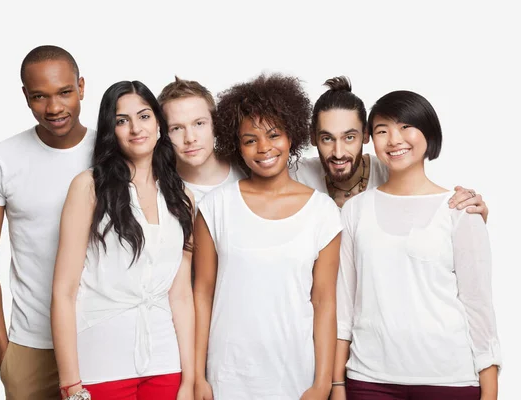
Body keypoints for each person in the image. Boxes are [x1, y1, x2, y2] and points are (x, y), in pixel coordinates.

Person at [332, 90, 501, 400]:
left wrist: (490, 392)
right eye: (382, 130)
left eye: (406, 126)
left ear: (429, 132)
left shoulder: (461, 209)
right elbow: (344, 307)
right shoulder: (355, 210)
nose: (394, 139)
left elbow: (478, 307)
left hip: (450, 379)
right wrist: (337, 384)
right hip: (369, 379)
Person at [193, 73, 342, 400]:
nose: (264, 148)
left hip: (295, 377)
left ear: (292, 136)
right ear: (237, 146)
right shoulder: (216, 207)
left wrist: (322, 383)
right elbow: (201, 294)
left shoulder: (323, 213)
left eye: (274, 134)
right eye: (250, 140)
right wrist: (198, 376)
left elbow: (325, 302)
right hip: (227, 375)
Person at [50, 80, 195, 400]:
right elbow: (63, 291)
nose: (135, 128)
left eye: (144, 116)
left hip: (165, 361)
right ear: (110, 130)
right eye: (121, 120)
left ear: (159, 124)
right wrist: (71, 385)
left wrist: (190, 379)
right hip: (101, 361)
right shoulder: (87, 187)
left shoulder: (181, 197)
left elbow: (181, 295)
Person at [0, 45, 94, 399]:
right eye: (40, 96)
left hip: (102, 336)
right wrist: (1, 351)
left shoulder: (112, 151)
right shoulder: (1, 160)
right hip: (32, 344)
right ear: (25, 96)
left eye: (65, 92)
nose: (54, 108)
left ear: (81, 87)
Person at [291, 76, 489, 221]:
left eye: (349, 137)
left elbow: (430, 210)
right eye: (327, 138)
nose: (339, 152)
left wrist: (466, 213)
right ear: (313, 138)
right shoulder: (297, 175)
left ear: (366, 135)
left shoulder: (392, 170)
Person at [158, 76, 246, 206]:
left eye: (199, 123)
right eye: (176, 128)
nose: (190, 138)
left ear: (215, 125)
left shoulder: (246, 166)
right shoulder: (159, 191)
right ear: (164, 134)